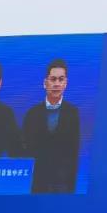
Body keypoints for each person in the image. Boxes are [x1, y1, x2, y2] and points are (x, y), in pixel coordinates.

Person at [22, 58, 81, 194]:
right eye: (53, 79)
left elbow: (74, 153)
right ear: (45, 83)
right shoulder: (32, 114)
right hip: (37, 184)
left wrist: (71, 189)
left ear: (65, 83)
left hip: (62, 186)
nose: (57, 84)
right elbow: (25, 151)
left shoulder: (72, 113)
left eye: (61, 79)